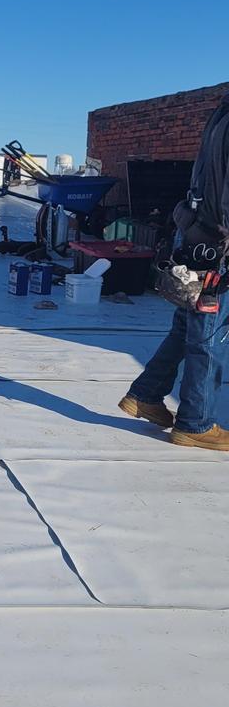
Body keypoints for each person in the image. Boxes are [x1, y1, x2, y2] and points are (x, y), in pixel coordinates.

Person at [120, 92, 229, 450]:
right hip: (217, 242)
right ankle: (195, 424)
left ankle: (146, 395)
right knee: (208, 335)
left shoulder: (221, 114)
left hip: (199, 232)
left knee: (188, 325)